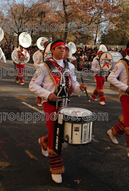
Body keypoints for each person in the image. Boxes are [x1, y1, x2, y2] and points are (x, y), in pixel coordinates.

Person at [29, 39, 87, 183]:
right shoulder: (44, 66)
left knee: (60, 131)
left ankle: (44, 141)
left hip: (65, 104)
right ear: (52, 50)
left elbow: (73, 85)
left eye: (64, 48)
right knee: (57, 134)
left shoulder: (70, 66)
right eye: (59, 48)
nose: (63, 50)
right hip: (50, 105)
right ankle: (56, 168)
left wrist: (80, 87)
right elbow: (32, 85)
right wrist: (48, 94)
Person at [107, 40, 129, 158]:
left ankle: (113, 132)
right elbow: (111, 78)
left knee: (127, 118)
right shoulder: (121, 63)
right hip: (126, 95)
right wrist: (126, 88)